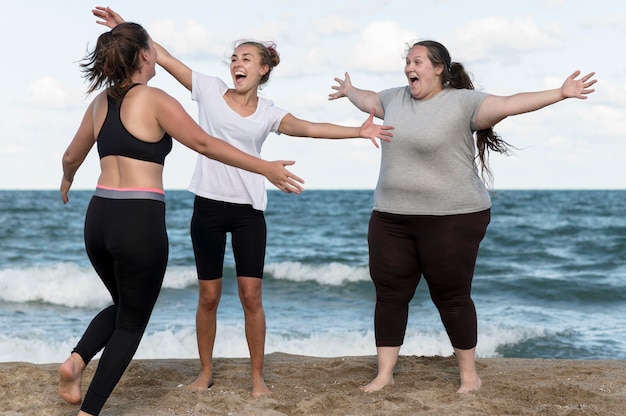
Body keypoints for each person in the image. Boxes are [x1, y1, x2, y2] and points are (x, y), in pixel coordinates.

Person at [92, 6, 393, 398]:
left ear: (263, 69)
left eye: (246, 58)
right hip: (208, 207)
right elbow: (162, 57)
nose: (237, 63)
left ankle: (257, 377)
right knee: (209, 295)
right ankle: (204, 372)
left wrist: (357, 130)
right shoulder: (209, 89)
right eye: (234, 58)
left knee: (252, 296)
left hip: (249, 211)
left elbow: (307, 128)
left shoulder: (268, 112)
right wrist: (125, 32)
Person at [58, 21, 307, 416]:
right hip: (136, 220)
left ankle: (76, 361)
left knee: (124, 304)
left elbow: (72, 156)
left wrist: (67, 179)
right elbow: (206, 144)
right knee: (131, 322)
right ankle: (90, 410)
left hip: (97, 218)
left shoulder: (100, 103)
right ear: (144, 55)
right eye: (151, 47)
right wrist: (264, 168)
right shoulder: (155, 99)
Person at [328, 40, 596, 394]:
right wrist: (349, 91)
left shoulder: (463, 103)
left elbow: (510, 103)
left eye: (418, 61)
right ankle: (384, 374)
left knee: (451, 295)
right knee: (390, 294)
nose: (410, 67)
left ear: (438, 68)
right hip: (391, 217)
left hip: (453, 216)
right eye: (407, 61)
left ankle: (469, 375)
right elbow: (366, 99)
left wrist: (560, 93)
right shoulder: (394, 98)